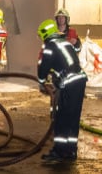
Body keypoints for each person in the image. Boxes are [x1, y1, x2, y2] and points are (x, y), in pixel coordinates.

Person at [36, 18, 87, 164]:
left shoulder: (50, 46)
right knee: (72, 118)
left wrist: (41, 82)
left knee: (61, 118)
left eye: (41, 36)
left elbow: (43, 68)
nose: (41, 39)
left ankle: (59, 152)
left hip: (69, 83)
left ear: (45, 34)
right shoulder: (65, 42)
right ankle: (70, 150)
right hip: (80, 81)